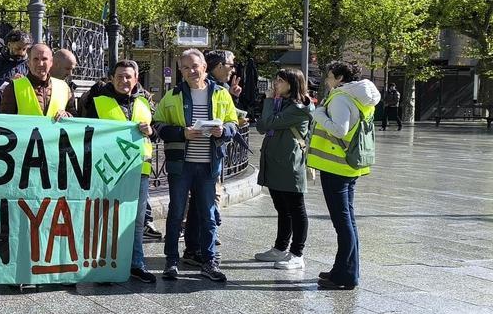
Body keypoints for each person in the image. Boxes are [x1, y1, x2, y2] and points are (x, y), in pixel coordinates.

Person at [154, 48, 239, 282]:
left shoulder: (221, 94)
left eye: (195, 66)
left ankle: (209, 261)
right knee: (175, 214)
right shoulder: (172, 96)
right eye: (186, 67)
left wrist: (224, 130)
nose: (192, 71)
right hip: (181, 165)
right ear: (181, 71)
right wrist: (182, 133)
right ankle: (171, 262)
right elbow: (158, 125)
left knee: (208, 215)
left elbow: (233, 123)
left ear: (204, 67)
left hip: (209, 164)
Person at [82, 60, 156, 283]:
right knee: (105, 218)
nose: (124, 81)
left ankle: (136, 263)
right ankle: (103, 265)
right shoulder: (97, 102)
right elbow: (86, 132)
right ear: (112, 78)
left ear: (136, 80)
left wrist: (150, 131)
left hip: (139, 169)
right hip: (108, 170)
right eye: (120, 76)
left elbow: (156, 133)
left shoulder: (144, 103)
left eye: (129, 77)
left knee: (136, 220)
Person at [309, 61, 380, 290]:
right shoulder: (360, 97)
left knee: (343, 223)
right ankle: (346, 270)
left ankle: (345, 276)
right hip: (349, 165)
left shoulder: (341, 98)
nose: (327, 80)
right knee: (348, 220)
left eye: (329, 76)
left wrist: (318, 113)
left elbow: (339, 129)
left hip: (336, 166)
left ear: (340, 78)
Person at [253, 69, 313, 270]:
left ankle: (297, 254)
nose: (275, 84)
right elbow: (262, 126)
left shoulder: (299, 107)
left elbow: (268, 122)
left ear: (292, 83)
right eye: (276, 79)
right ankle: (280, 248)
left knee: (296, 209)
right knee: (282, 208)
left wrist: (269, 101)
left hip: (289, 164)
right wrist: (271, 105)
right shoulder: (282, 104)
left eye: (280, 81)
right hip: (275, 162)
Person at [0, 43, 75, 118]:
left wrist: (67, 115)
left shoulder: (64, 88)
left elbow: (76, 120)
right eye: (36, 59)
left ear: (51, 62)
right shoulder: (13, 87)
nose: (40, 64)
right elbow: (4, 122)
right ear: (29, 63)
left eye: (44, 59)